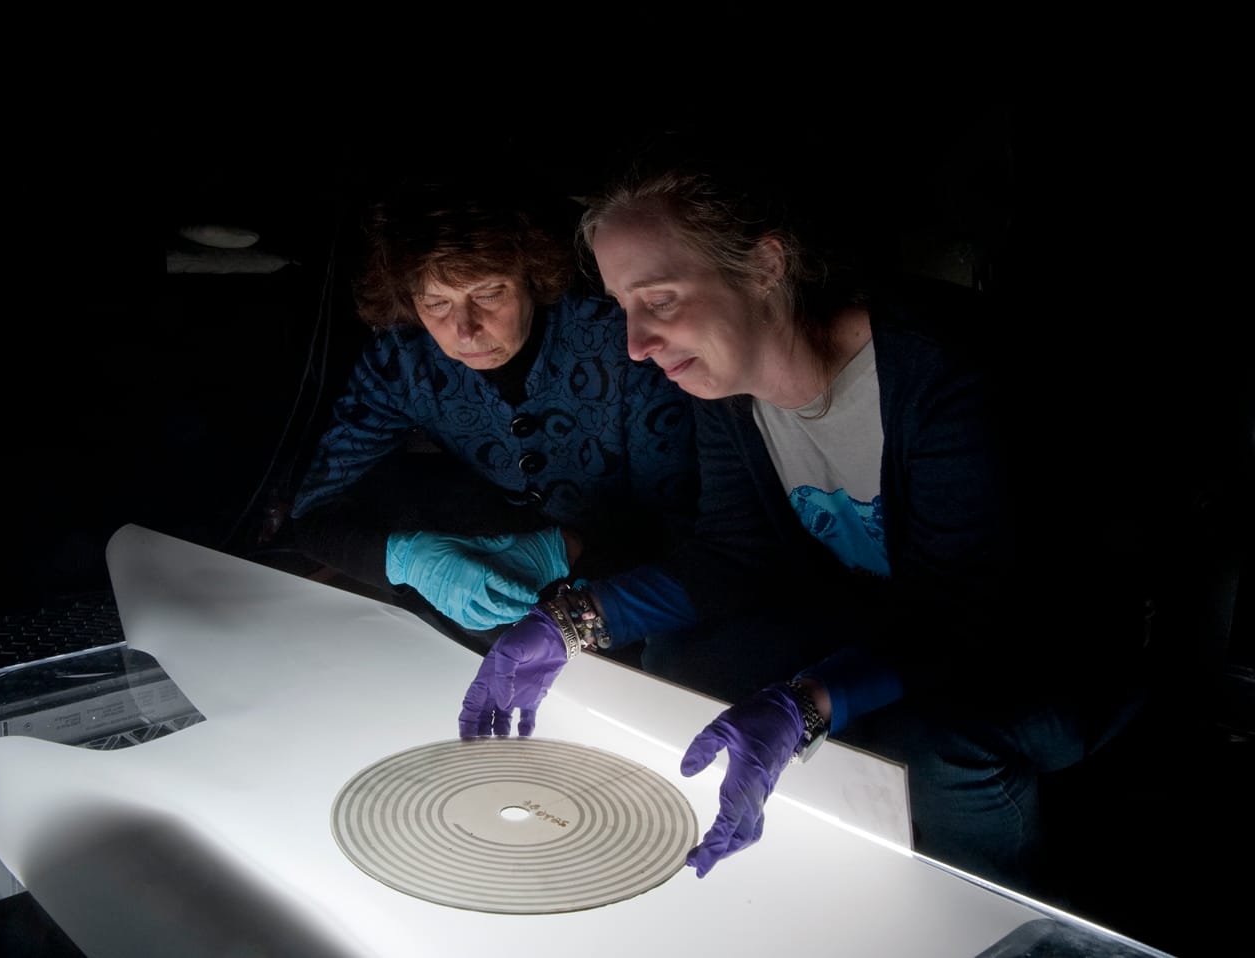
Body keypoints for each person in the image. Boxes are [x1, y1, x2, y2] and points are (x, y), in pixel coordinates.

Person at [456, 152, 1147, 899]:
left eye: (659, 299)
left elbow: (964, 615)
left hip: (1044, 641)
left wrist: (809, 704)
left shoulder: (941, 375)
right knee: (682, 658)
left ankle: (1009, 915)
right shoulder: (726, 385)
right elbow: (731, 555)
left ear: (764, 268)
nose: (634, 344)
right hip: (893, 621)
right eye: (625, 306)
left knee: (924, 746)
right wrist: (569, 622)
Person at [251, 177, 699, 649]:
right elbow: (314, 513)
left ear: (533, 277)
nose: (464, 331)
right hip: (506, 575)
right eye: (436, 302)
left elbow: (693, 529)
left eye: (488, 295)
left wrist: (566, 554)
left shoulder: (621, 340)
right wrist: (405, 559)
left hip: (649, 581)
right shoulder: (403, 359)